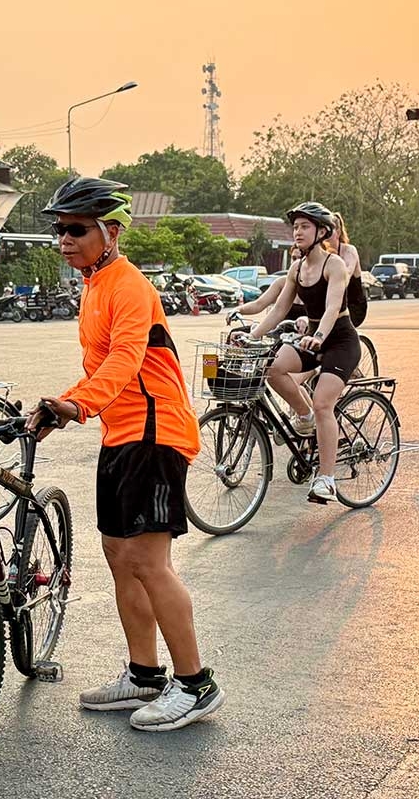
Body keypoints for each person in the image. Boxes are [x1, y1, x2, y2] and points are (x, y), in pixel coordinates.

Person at [24, 177, 222, 732]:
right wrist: (63, 406)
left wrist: (76, 405)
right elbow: (100, 371)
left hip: (156, 436)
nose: (64, 239)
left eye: (76, 229)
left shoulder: (128, 286)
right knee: (118, 555)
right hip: (121, 434)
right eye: (58, 230)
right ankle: (144, 674)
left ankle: (196, 684)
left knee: (148, 562)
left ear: (110, 232)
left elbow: (126, 361)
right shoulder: (95, 285)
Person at [247, 201, 358, 503]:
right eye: (295, 226)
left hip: (340, 342)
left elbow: (333, 306)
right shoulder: (297, 268)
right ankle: (303, 415)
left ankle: (326, 479)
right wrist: (252, 335)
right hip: (312, 339)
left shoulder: (333, 264)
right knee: (274, 367)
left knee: (324, 403)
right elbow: (279, 308)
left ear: (321, 231)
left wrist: (319, 335)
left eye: (304, 226)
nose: (298, 231)